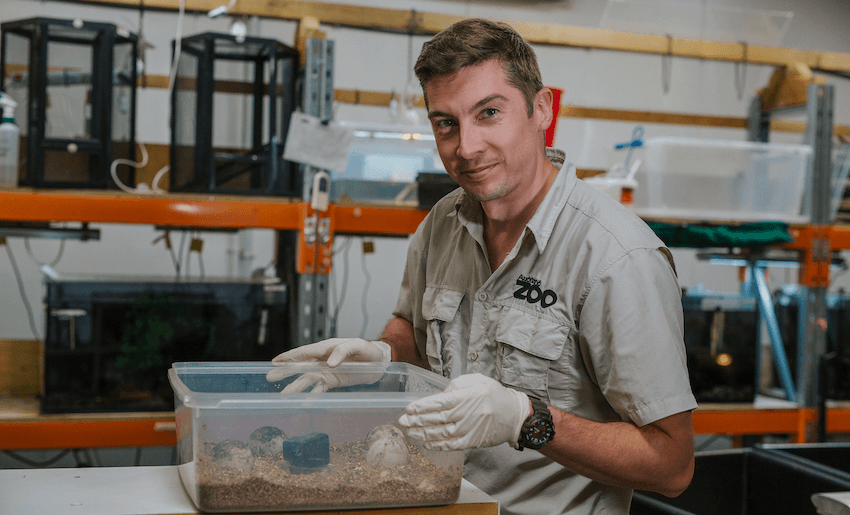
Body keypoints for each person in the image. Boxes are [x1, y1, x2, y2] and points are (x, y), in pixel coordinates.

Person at [268, 17, 697, 514]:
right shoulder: (443, 222)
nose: (466, 148)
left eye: (489, 112)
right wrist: (382, 355)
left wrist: (524, 419)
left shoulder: (616, 258)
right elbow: (414, 327)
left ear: (541, 110)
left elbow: (672, 466)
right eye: (445, 123)